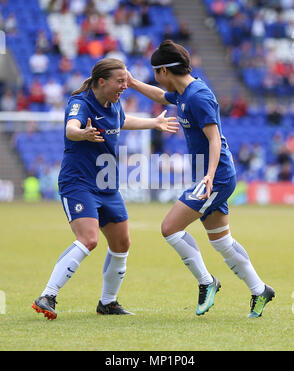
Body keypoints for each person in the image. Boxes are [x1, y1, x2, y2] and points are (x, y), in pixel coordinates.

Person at [127, 40, 275, 318]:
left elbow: (215, 138)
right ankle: (259, 290)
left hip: (215, 176)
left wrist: (208, 176)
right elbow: (161, 97)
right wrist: (133, 83)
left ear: (163, 71)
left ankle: (207, 282)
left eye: (154, 73)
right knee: (222, 242)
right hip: (210, 175)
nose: (156, 79)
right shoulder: (183, 93)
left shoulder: (197, 96)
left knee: (169, 228)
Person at [32, 58, 178, 320]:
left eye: (126, 81)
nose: (125, 86)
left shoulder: (113, 103)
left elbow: (121, 121)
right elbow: (70, 129)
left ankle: (108, 303)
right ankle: (48, 295)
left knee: (122, 243)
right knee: (89, 239)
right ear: (102, 81)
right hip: (78, 183)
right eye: (120, 81)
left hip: (107, 186)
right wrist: (83, 134)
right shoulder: (81, 103)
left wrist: (153, 123)